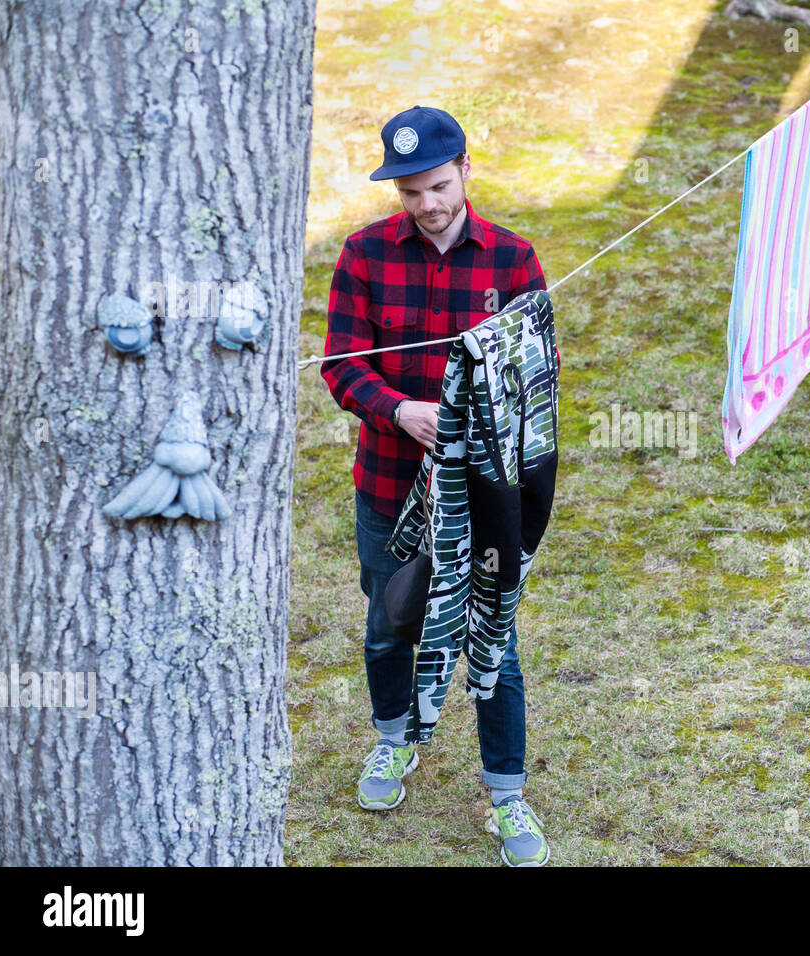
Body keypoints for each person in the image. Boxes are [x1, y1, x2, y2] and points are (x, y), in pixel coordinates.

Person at [320, 105, 550, 866]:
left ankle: (508, 795)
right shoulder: (361, 255)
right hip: (389, 482)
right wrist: (400, 411)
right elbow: (341, 366)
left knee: (496, 637)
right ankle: (393, 743)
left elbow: (533, 384)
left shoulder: (515, 262)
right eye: (411, 192)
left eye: (439, 187)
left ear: (466, 172)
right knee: (390, 621)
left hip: (484, 495)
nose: (428, 205)